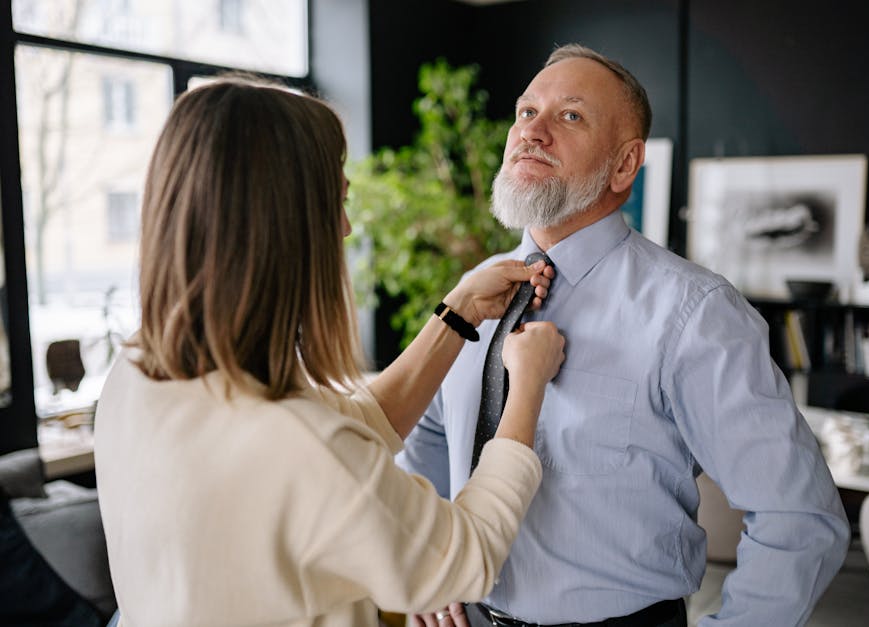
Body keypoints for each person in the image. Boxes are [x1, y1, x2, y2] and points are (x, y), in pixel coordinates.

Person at [399, 44, 850, 627]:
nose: (532, 132)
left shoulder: (694, 314)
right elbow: (429, 436)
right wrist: (428, 563)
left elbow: (799, 519)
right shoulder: (472, 293)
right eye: (525, 111)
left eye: (569, 116)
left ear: (624, 165)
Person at [93, 76, 566, 627]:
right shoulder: (298, 447)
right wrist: (526, 388)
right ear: (284, 225)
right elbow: (466, 558)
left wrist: (456, 314)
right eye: (337, 203)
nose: (344, 228)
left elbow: (354, 426)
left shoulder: (135, 374)